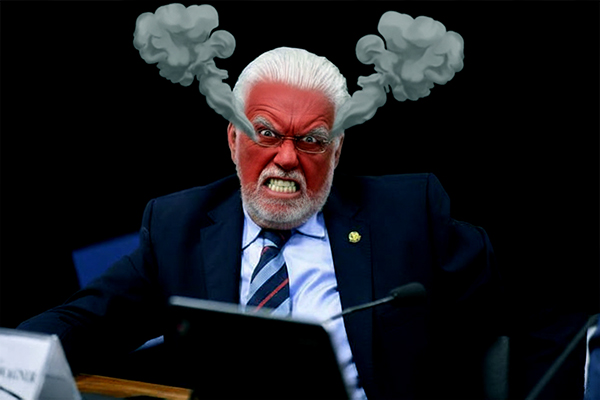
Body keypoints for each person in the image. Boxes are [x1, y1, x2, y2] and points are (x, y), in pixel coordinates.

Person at [16, 47, 580, 399]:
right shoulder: (177, 224)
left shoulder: (408, 215)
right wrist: (9, 362)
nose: (286, 158)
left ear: (336, 151)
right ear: (233, 139)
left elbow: (539, 315)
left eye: (311, 140)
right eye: (265, 134)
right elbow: (86, 320)